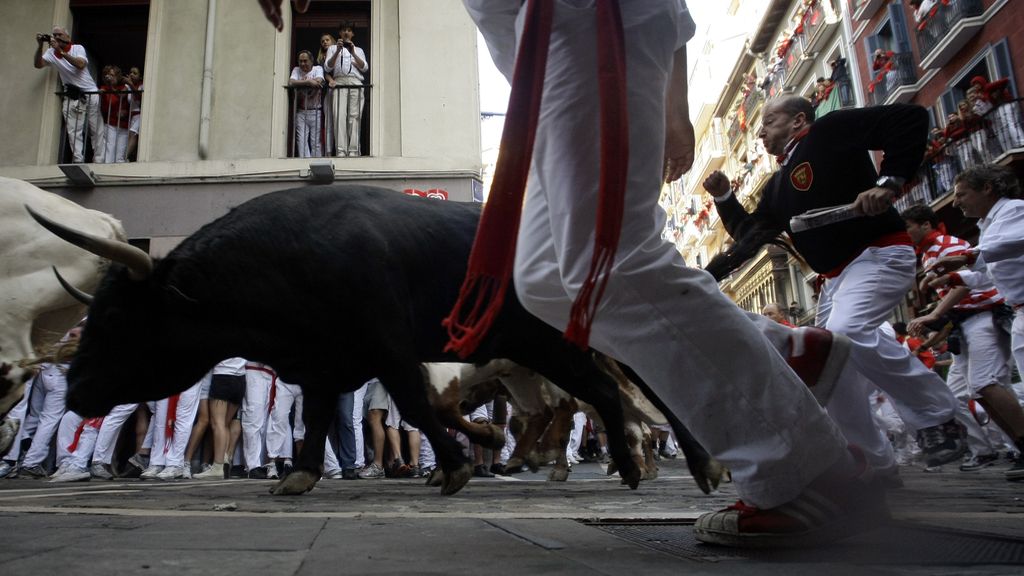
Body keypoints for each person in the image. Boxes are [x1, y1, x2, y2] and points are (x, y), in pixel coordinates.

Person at [461, 0, 885, 548]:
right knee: (546, 280)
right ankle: (778, 355)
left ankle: (799, 470)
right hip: (544, 59)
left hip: (584, 25)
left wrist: (675, 103)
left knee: (607, 268)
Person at [704, 96, 966, 481]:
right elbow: (752, 234)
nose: (760, 131)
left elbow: (908, 117)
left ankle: (938, 418)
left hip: (878, 255)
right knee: (832, 365)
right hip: (837, 280)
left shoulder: (828, 131)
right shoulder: (777, 186)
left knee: (848, 333)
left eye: (770, 120)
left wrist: (889, 182)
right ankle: (876, 462)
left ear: (798, 120)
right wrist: (725, 198)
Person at [925, 164, 1024, 480]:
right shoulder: (989, 223)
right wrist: (957, 274)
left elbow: (1015, 243)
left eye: (961, 194)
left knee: (984, 383)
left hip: (1005, 312)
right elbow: (987, 271)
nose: (956, 203)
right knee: (981, 385)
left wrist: (966, 258)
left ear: (987, 189)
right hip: (1018, 311)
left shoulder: (1014, 210)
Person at [34, 26, 103, 163]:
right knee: (73, 129)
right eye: (54, 35)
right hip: (72, 94)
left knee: (95, 128)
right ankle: (78, 159)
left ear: (68, 37)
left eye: (59, 34)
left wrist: (60, 51)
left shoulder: (78, 48)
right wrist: (40, 45)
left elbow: (80, 64)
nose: (57, 37)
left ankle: (99, 159)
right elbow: (38, 64)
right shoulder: (51, 52)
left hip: (90, 93)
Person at [194, 358, 246, 479]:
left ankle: (218, 466)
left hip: (223, 376)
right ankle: (225, 459)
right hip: (240, 378)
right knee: (225, 423)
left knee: (218, 424)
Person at [325, 21, 368, 157]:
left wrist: (353, 52)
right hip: (339, 81)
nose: (346, 32)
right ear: (340, 33)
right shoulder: (332, 48)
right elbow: (327, 67)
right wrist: (338, 50)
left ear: (353, 33)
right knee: (339, 115)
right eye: (344, 30)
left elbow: (365, 68)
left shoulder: (359, 49)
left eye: (349, 30)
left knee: (354, 117)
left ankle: (354, 151)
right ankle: (341, 150)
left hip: (355, 82)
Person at [289, 50, 325, 158]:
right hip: (301, 112)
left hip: (315, 111)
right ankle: (304, 164)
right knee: (301, 141)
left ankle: (316, 164)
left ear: (311, 61)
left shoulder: (317, 69)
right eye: (300, 61)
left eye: (305, 61)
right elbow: (291, 82)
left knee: (316, 143)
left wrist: (300, 84)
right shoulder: (296, 70)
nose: (302, 64)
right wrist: (309, 82)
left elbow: (319, 80)